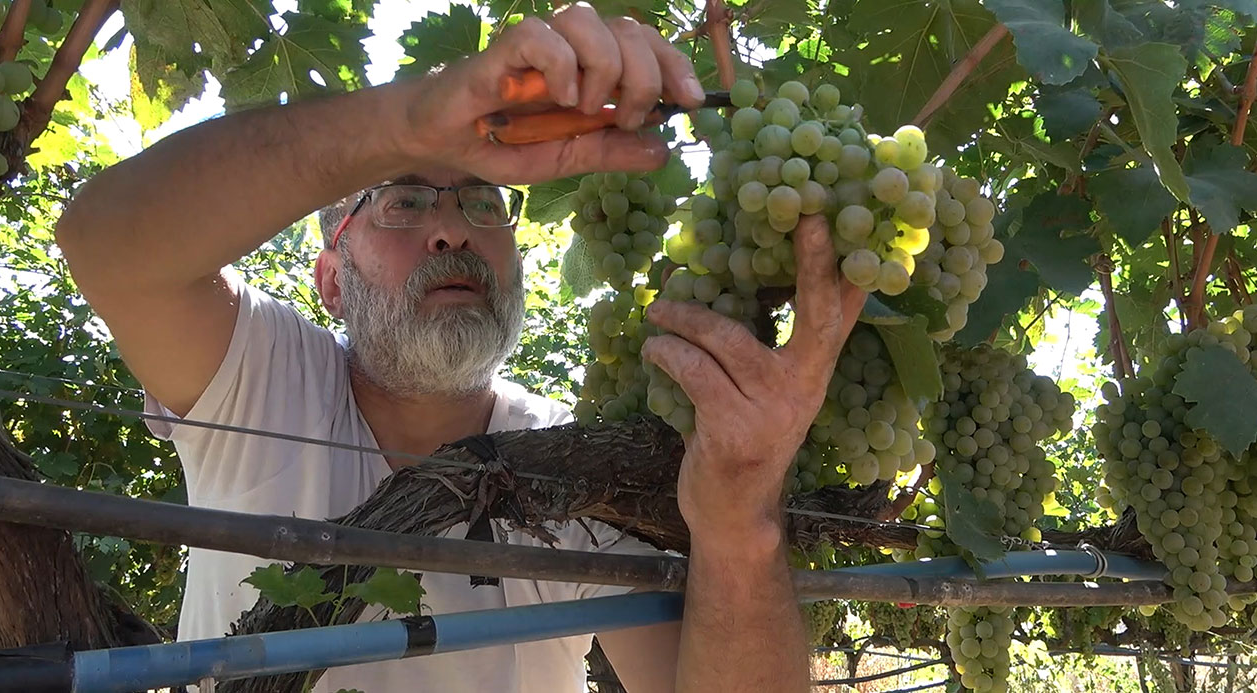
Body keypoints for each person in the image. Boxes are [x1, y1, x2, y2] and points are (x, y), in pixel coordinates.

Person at [55, 4, 864, 692]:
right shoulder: (264, 374)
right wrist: (405, 118)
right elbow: (101, 242)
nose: (452, 226)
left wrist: (739, 519)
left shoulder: (572, 462)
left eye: (482, 200)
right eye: (404, 201)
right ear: (331, 282)